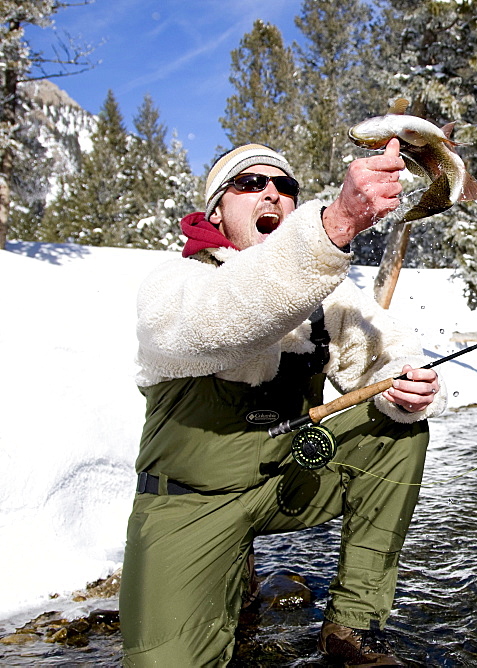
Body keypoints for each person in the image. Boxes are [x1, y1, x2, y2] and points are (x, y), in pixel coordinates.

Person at [120, 140, 446, 667]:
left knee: (397, 425)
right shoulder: (176, 282)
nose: (271, 193)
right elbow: (218, 325)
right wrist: (337, 223)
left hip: (284, 480)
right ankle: (230, 578)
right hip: (188, 502)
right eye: (250, 184)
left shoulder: (325, 296)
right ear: (217, 211)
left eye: (285, 187)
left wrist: (408, 385)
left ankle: (352, 629)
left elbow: (390, 352)